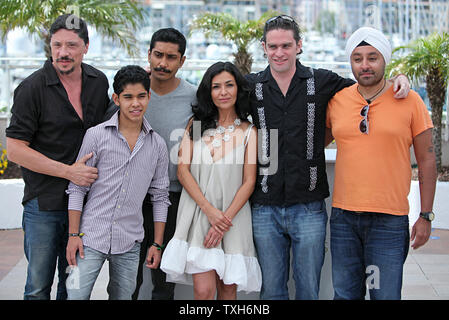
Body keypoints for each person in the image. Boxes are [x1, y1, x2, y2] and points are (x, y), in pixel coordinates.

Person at [245, 15, 410, 300]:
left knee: (309, 289)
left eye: (286, 45)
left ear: (299, 45)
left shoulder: (322, 82)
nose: (279, 52)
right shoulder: (250, 86)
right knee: (270, 290)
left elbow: (369, 84)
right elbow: (213, 96)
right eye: (273, 46)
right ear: (263, 47)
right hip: (264, 206)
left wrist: (398, 78)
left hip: (309, 207)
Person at [325, 27, 437, 300]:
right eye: (358, 58)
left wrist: (425, 216)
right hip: (343, 219)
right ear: (350, 62)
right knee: (344, 295)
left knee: (384, 295)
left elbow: (427, 159)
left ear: (385, 59)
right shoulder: (338, 101)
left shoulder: (410, 100)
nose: (365, 65)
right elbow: (313, 143)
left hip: (388, 221)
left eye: (372, 57)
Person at [5, 14, 110, 300]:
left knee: (72, 286)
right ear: (50, 46)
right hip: (44, 203)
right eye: (57, 45)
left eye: (72, 45)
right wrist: (68, 172)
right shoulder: (31, 88)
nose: (63, 53)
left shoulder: (98, 82)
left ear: (86, 47)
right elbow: (15, 149)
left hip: (86, 206)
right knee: (38, 287)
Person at [65, 65, 170, 300]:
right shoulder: (96, 135)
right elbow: (77, 187)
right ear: (116, 98)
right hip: (89, 237)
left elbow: (161, 197)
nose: (136, 103)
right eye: (128, 97)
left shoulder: (158, 145)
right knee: (75, 295)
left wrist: (157, 244)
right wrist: (73, 236)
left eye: (141, 96)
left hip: (129, 242)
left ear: (148, 97)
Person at [160, 61, 262, 300]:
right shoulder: (195, 124)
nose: (223, 92)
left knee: (228, 289)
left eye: (229, 85)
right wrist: (210, 212)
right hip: (198, 214)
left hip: (233, 218)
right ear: (209, 91)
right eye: (216, 86)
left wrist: (223, 220)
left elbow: (249, 182)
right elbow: (182, 171)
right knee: (203, 291)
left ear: (238, 89)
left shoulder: (250, 131)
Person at [132, 28, 197, 300]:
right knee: (127, 276)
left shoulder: (194, 97)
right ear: (148, 55)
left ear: (182, 61)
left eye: (171, 57)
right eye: (158, 55)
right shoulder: (133, 91)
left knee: (163, 279)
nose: (163, 63)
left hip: (173, 197)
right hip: (131, 195)